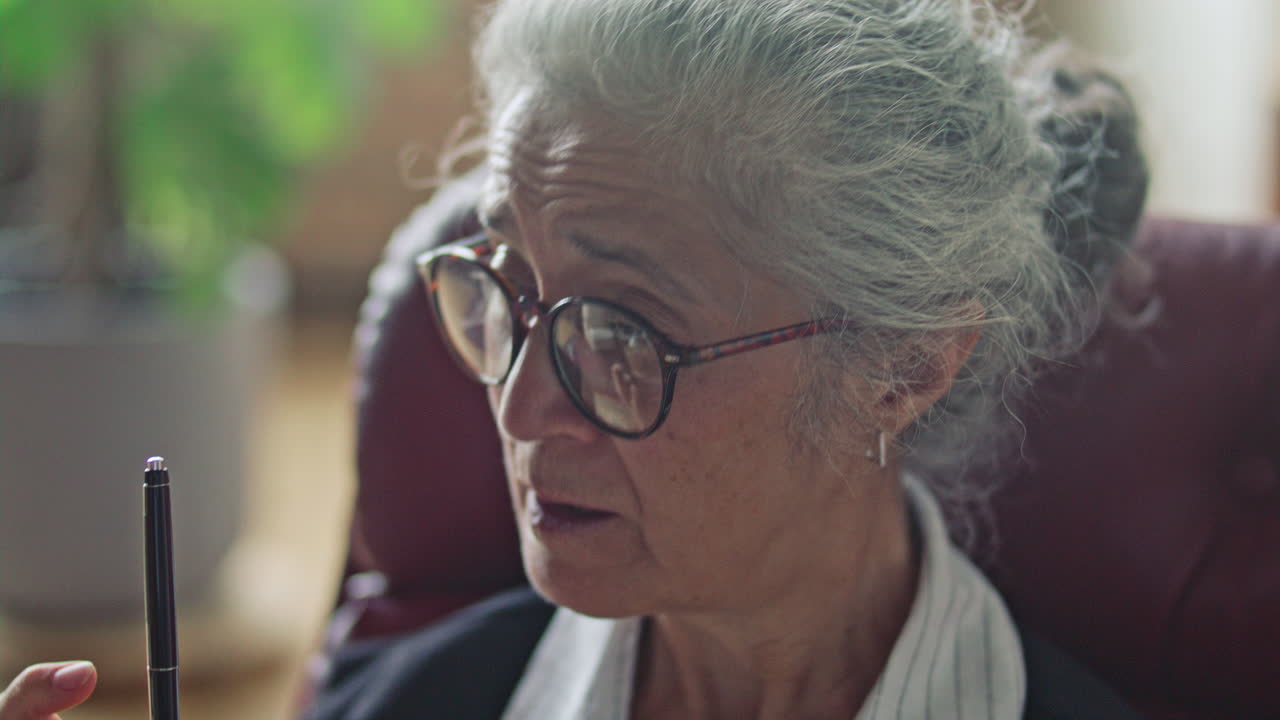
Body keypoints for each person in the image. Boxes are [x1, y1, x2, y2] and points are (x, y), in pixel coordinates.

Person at [0, 0, 1149, 718]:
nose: (520, 405)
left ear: (902, 366)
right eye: (507, 289)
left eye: (621, 334)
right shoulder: (405, 702)